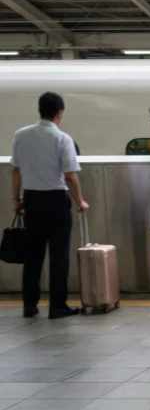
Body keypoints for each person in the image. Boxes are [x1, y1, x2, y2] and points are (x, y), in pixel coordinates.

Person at [10, 92, 88, 320]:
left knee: (33, 256)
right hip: (56, 202)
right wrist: (80, 201)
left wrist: (16, 199)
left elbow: (16, 170)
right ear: (59, 113)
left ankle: (29, 305)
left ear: (40, 110)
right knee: (59, 256)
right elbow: (70, 176)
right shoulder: (62, 139)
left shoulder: (21, 135)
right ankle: (57, 306)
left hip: (31, 200)